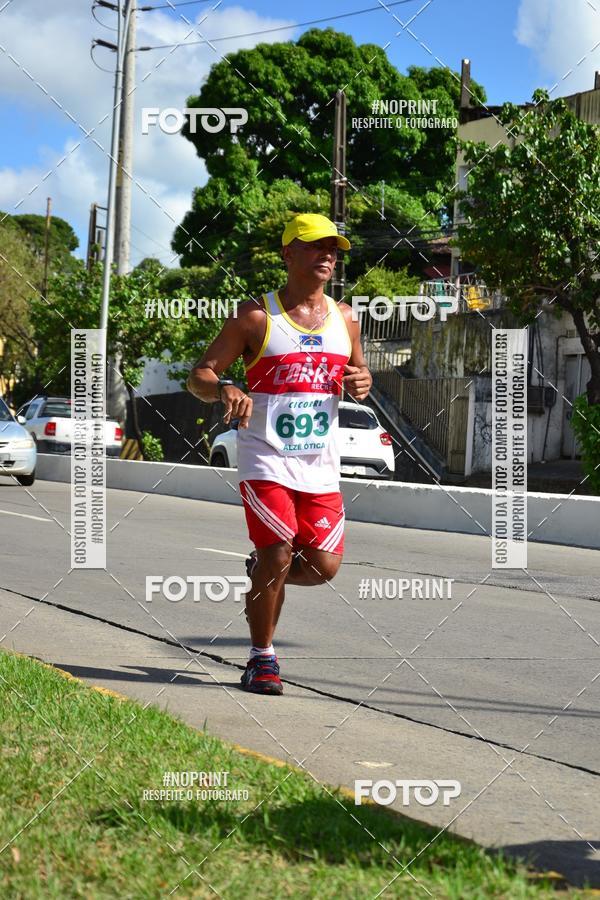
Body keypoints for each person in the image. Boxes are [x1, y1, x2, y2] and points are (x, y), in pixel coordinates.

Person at [187, 213, 372, 695]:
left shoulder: (346, 318)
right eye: (315, 246)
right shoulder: (254, 317)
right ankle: (261, 659)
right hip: (265, 454)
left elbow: (360, 373)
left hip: (319, 461)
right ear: (288, 253)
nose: (327, 255)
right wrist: (225, 388)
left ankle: (262, 572)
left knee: (325, 567)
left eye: (333, 249)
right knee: (279, 551)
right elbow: (200, 374)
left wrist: (362, 380)